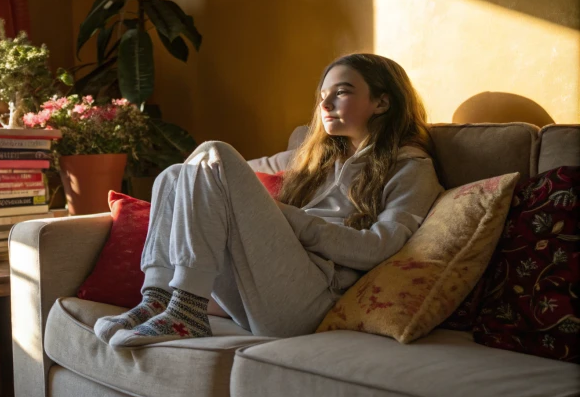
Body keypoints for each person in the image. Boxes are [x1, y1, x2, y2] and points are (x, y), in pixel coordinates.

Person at [94, 53, 445, 349]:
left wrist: (288, 219)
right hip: (263, 291)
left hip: (312, 301)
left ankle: (185, 310)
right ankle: (157, 299)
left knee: (212, 152)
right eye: (323, 94)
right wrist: (217, 189)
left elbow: (380, 247)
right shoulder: (313, 158)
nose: (324, 104)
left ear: (382, 102)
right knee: (178, 173)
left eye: (342, 93)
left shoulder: (410, 166)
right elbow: (210, 176)